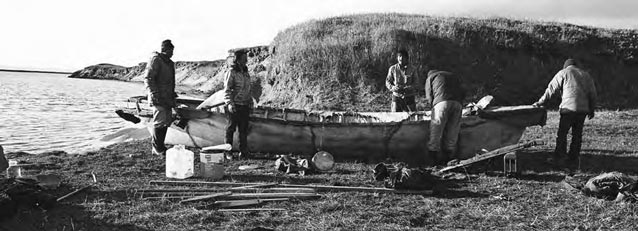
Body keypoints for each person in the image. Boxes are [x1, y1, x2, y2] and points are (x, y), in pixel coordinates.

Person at [533, 59, 597, 164]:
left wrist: (540, 103)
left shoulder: (563, 73)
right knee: (577, 135)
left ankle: (559, 157)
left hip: (568, 109)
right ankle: (574, 158)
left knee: (562, 134)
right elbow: (593, 94)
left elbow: (551, 89)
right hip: (582, 110)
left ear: (566, 66)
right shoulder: (586, 75)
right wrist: (591, 109)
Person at [144, 39, 177, 156]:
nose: (172, 53)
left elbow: (171, 81)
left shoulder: (169, 63)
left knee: (166, 122)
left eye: (172, 51)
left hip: (167, 97)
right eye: (170, 51)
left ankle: (160, 146)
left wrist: (172, 93)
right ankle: (157, 148)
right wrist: (154, 93)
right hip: (158, 97)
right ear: (164, 50)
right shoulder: (156, 60)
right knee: (159, 122)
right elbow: (148, 78)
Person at [425, 70, 465, 165]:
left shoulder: (430, 77)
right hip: (457, 103)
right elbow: (463, 91)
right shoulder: (453, 75)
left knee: (436, 131)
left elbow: (429, 95)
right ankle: (448, 160)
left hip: (441, 103)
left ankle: (433, 161)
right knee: (452, 132)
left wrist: (433, 106)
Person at [223, 50, 252, 159]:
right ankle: (228, 152)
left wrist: (250, 101)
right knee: (230, 129)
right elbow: (227, 89)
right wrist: (230, 104)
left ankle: (243, 152)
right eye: (244, 59)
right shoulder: (231, 72)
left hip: (244, 105)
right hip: (234, 105)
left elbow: (248, 89)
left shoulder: (245, 72)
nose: (246, 61)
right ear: (238, 59)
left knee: (243, 130)